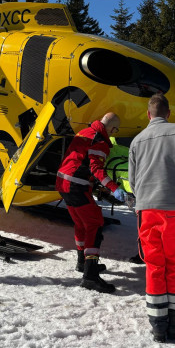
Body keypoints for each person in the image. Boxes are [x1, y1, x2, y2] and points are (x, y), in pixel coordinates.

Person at [128, 93, 175, 343]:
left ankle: (158, 325)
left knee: (154, 265)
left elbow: (133, 181)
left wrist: (142, 204)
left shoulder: (137, 140)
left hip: (147, 210)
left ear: (148, 115)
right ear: (168, 113)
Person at [56, 112, 127, 294]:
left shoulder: (85, 132)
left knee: (81, 223)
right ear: (112, 129)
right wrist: (113, 188)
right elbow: (97, 169)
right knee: (94, 224)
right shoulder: (100, 142)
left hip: (63, 182)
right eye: (115, 130)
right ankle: (90, 276)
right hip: (76, 185)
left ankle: (82, 262)